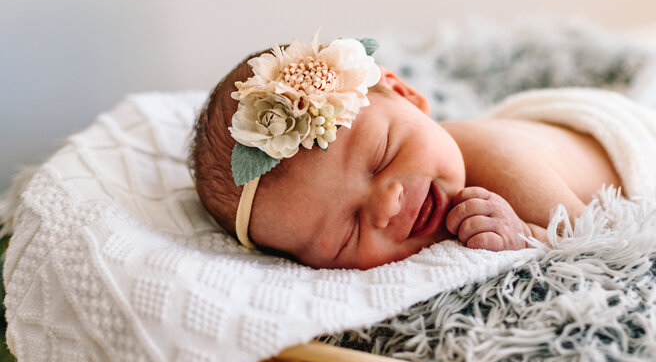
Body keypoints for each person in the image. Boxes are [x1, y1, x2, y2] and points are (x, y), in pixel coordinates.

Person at [190, 33, 620, 269]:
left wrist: (523, 237)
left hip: (631, 146)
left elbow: (604, 247)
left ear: (406, 94)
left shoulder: (501, 161)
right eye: (347, 233)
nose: (386, 205)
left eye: (382, 156)